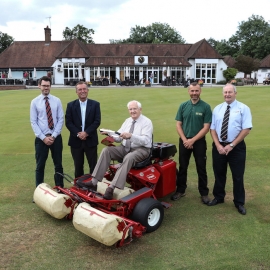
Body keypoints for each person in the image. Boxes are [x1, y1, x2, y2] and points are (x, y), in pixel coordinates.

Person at [83, 100, 153, 200]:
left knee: (129, 157)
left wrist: (131, 136)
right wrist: (109, 133)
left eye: (134, 109)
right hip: (125, 147)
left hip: (141, 149)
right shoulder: (127, 121)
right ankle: (94, 182)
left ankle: (111, 188)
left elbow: (146, 140)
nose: (132, 111)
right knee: (107, 150)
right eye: (130, 109)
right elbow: (119, 137)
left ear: (140, 109)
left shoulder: (147, 122)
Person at [207, 83, 252, 215]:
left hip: (236, 147)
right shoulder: (217, 109)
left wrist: (231, 145)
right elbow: (212, 129)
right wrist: (218, 145)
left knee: (237, 176)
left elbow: (246, 129)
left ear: (235, 93)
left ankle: (239, 202)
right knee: (219, 173)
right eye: (225, 92)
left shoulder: (243, 108)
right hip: (219, 146)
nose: (227, 94)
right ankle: (219, 197)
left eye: (230, 92)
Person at [171, 82, 212, 204]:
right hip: (184, 140)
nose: (194, 93)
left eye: (196, 91)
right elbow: (178, 124)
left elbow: (206, 127)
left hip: (199, 142)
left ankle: (204, 193)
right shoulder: (183, 106)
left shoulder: (205, 107)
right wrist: (185, 140)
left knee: (201, 167)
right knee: (183, 167)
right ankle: (181, 190)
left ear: (200, 91)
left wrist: (192, 140)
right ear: (188, 91)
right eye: (192, 91)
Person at [30, 76, 64, 189]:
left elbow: (60, 119)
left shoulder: (57, 100)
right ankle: (39, 192)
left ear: (50, 86)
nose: (46, 88)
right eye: (44, 86)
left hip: (56, 138)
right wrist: (43, 137)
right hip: (41, 139)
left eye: (48, 86)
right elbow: (33, 122)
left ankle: (60, 189)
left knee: (58, 165)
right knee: (40, 166)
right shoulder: (34, 102)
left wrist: (53, 136)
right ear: (39, 86)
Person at [65, 81, 101, 178]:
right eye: (80, 89)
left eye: (84, 89)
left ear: (88, 90)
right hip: (76, 141)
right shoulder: (71, 105)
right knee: (78, 167)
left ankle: (94, 188)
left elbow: (97, 121)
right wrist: (78, 134)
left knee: (94, 167)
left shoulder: (95, 104)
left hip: (91, 140)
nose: (82, 91)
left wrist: (86, 133)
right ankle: (78, 189)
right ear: (76, 92)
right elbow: (68, 122)